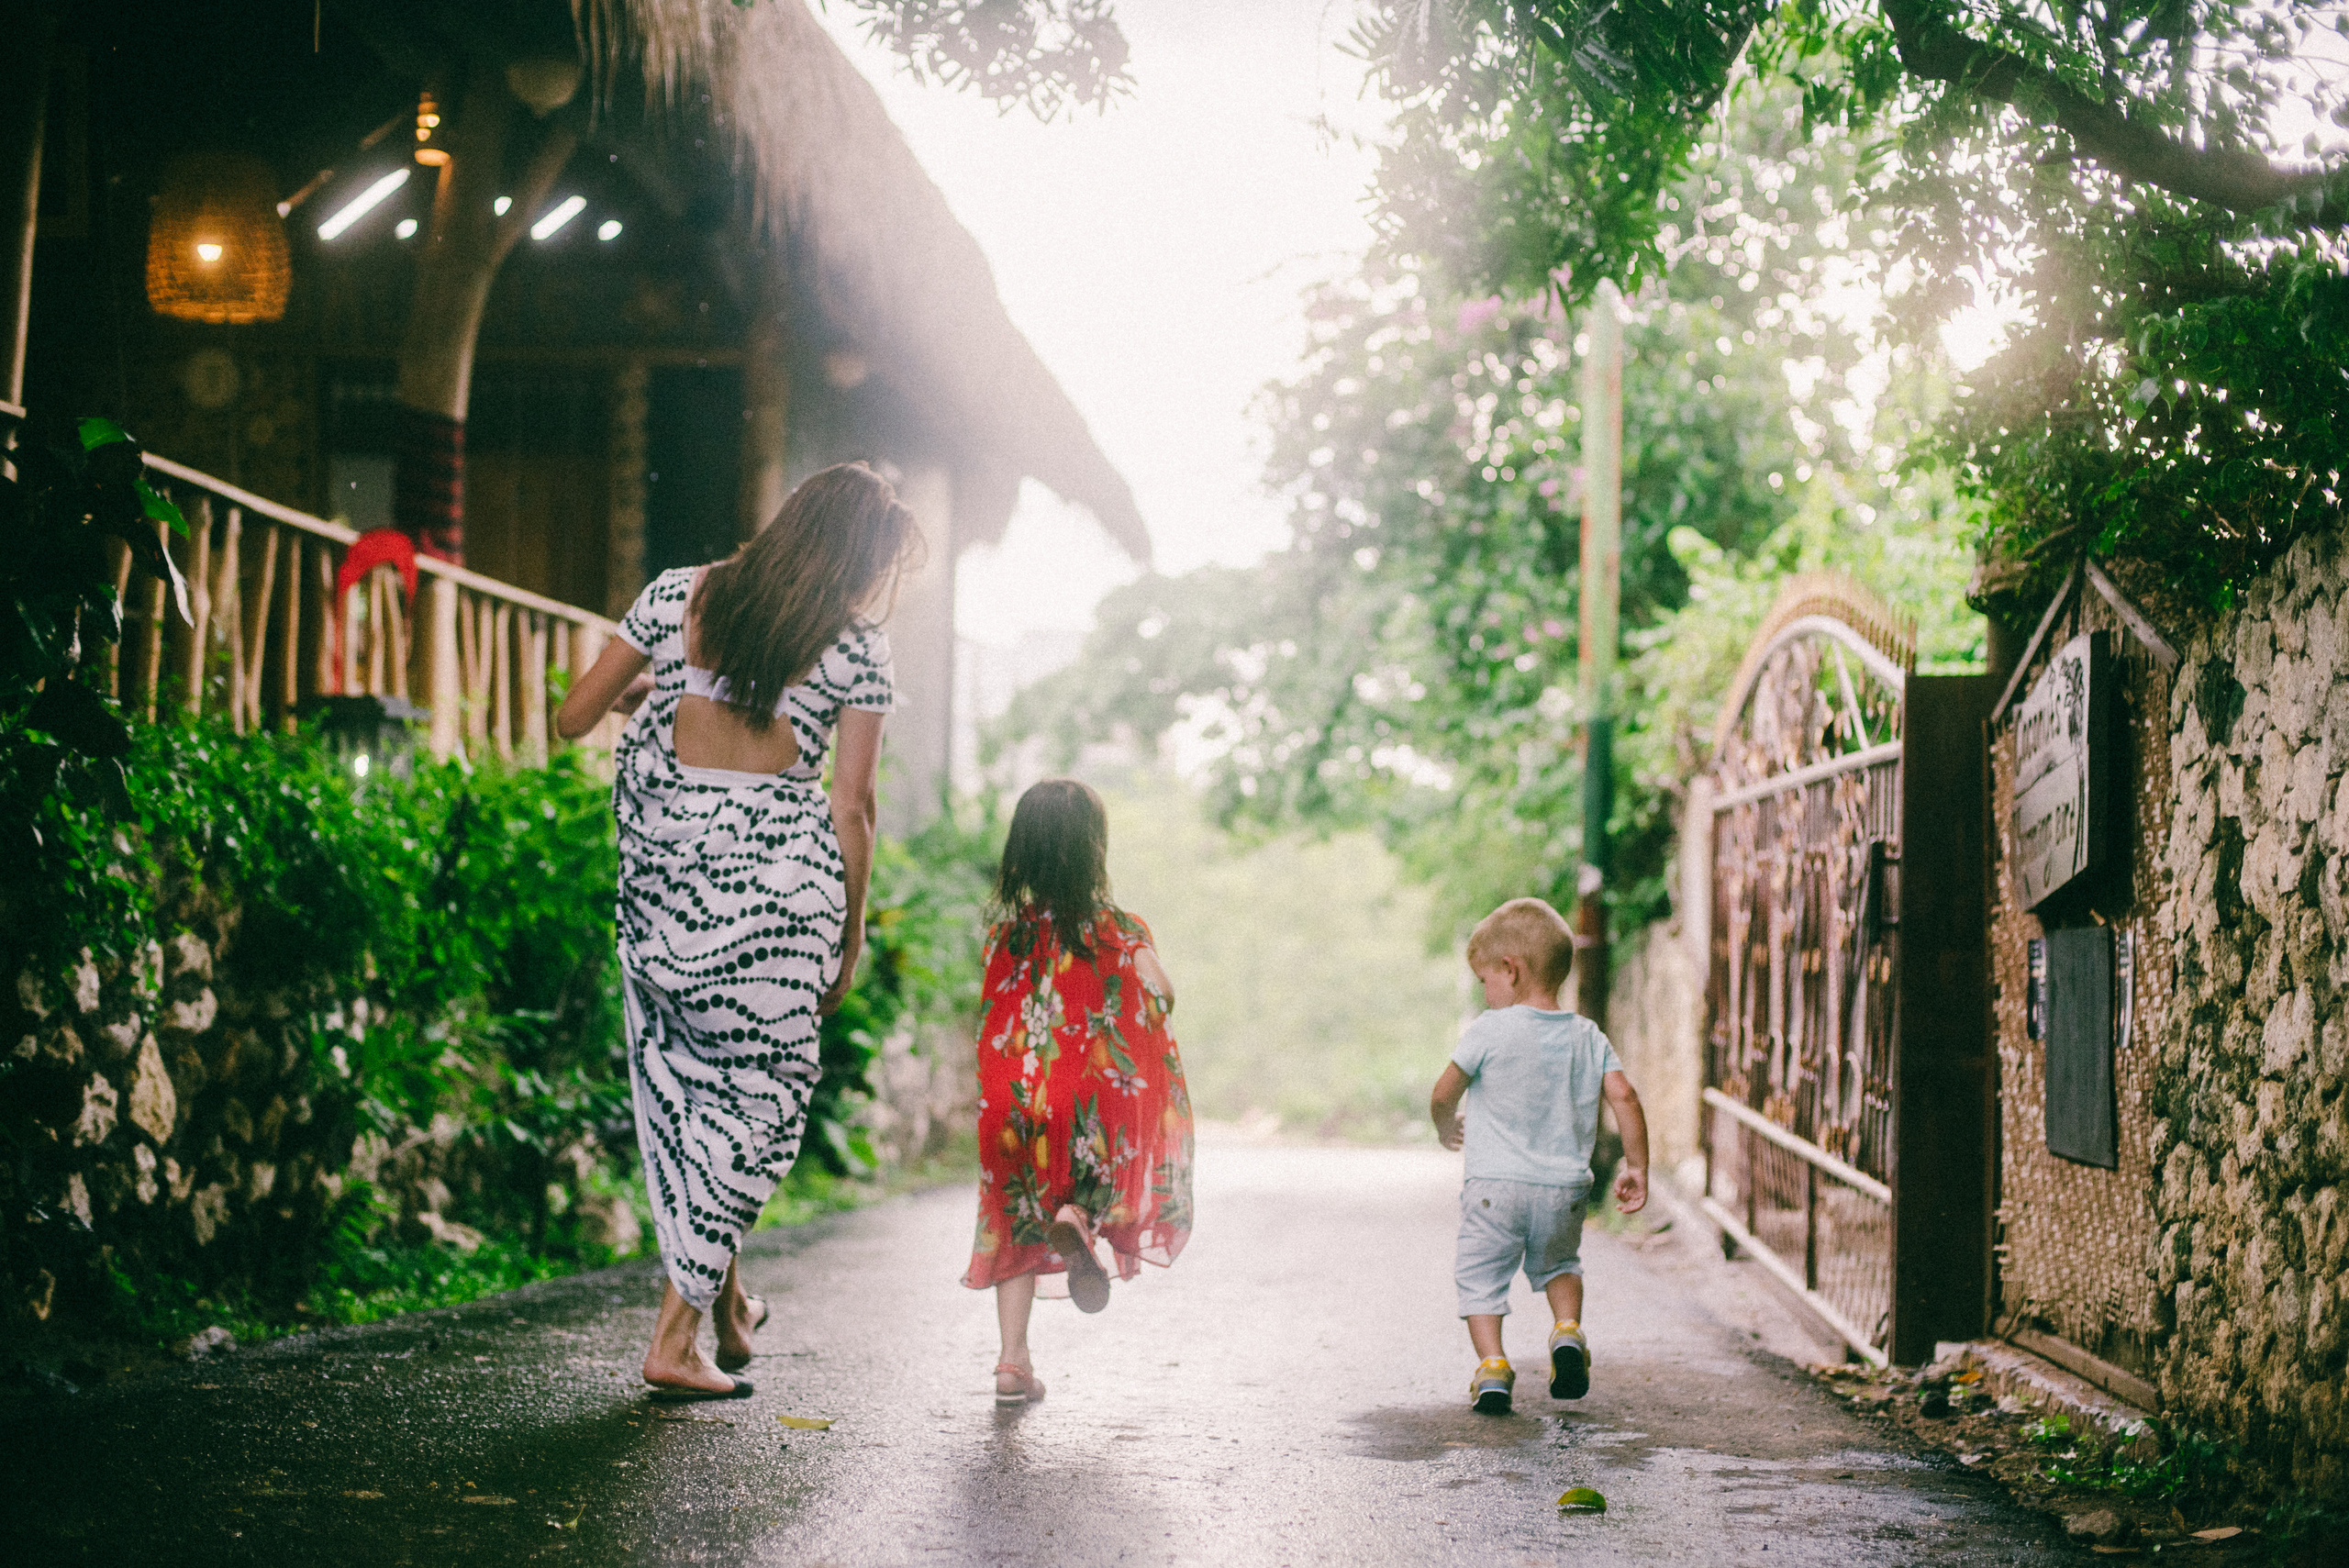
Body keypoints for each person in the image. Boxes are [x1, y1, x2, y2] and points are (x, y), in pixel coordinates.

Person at [556, 462, 919, 1402]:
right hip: (776, 912)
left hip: (667, 899)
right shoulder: (855, 650)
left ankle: (727, 1308)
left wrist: (668, 698)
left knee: (691, 1096)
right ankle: (676, 1337)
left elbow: (570, 719)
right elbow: (854, 805)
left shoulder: (675, 596)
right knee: (755, 1106)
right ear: (857, 558)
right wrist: (848, 937)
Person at [962, 779, 1195, 1406]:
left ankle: (1012, 1362)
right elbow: (1161, 993)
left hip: (1013, 1105)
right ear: (1094, 850)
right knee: (1097, 1167)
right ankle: (1080, 1215)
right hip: (1085, 1099)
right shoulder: (1120, 927)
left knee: (1012, 1214)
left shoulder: (1004, 935)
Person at [1428, 896, 1649, 1415]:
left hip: (1493, 1189)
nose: (1485, 992)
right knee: (1561, 1265)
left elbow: (1443, 1093)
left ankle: (1493, 1368)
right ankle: (1567, 1332)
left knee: (1480, 1278)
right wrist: (1636, 1166)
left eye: (1486, 980)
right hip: (1563, 1190)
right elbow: (1625, 1097)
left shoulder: (1487, 1030)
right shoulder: (1587, 1036)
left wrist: (1444, 1126)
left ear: (1511, 970)